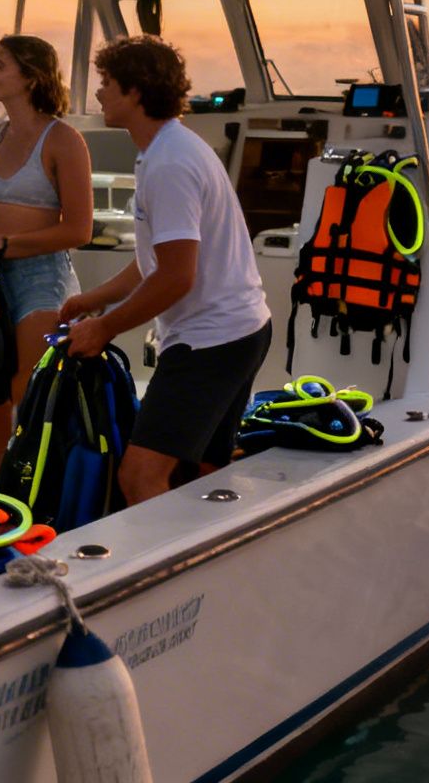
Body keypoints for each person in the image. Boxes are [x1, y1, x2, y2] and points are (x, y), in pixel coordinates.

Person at [59, 35, 271, 506]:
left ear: (136, 91)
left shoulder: (170, 163)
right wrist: (92, 301)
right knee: (202, 471)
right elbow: (152, 262)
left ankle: (167, 575)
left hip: (211, 341)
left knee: (139, 477)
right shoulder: (164, 150)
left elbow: (177, 276)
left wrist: (105, 328)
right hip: (241, 329)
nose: (99, 94)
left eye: (106, 83)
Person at [0, 34, 93, 479]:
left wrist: (6, 244)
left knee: (24, 402)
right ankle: (1, 509)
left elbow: (79, 230)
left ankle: (34, 502)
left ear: (30, 77)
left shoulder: (64, 140)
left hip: (42, 279)